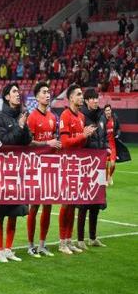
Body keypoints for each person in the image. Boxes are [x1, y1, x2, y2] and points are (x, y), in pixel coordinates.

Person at [0, 83, 32, 263]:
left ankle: (8, 248)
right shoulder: (0, 118)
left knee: (15, 211)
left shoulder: (21, 116)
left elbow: (27, 141)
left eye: (18, 91)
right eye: (14, 91)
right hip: (4, 171)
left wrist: (24, 127)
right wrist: (19, 127)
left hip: (19, 170)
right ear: (7, 97)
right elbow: (3, 142)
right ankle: (0, 249)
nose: (18, 93)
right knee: (2, 212)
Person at [58, 83, 97, 255]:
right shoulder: (65, 115)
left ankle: (69, 240)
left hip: (78, 164)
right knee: (66, 204)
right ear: (71, 98)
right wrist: (83, 135)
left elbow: (81, 142)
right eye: (79, 94)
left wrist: (86, 135)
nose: (82, 97)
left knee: (74, 204)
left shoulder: (81, 116)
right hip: (67, 164)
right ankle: (62, 242)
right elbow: (65, 143)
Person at [26, 82, 61, 258]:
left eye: (49, 92)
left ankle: (42, 244)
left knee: (48, 205)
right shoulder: (32, 117)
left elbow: (55, 140)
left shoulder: (53, 117)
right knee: (34, 206)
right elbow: (29, 142)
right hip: (35, 166)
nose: (48, 95)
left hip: (50, 166)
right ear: (37, 96)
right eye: (44, 92)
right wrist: (47, 143)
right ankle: (30, 245)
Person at [78, 88, 108, 249]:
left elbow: (104, 137)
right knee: (84, 203)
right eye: (93, 98)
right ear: (86, 101)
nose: (96, 101)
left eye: (97, 98)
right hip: (86, 164)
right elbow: (79, 140)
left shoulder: (102, 116)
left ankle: (93, 237)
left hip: (100, 163)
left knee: (97, 202)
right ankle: (80, 239)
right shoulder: (82, 117)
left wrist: (106, 148)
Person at [104, 104, 119, 185]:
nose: (108, 112)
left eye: (109, 110)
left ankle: (110, 176)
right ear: (104, 112)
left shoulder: (114, 118)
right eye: (106, 110)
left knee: (112, 164)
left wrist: (118, 134)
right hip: (105, 145)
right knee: (106, 164)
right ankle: (106, 180)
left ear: (111, 110)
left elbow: (118, 128)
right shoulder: (102, 121)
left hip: (113, 145)